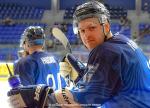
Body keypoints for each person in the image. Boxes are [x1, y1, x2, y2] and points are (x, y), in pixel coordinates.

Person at [8, 1, 150, 108]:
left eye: (92, 28)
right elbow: (110, 84)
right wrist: (83, 74)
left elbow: (84, 97)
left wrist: (40, 96)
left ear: (106, 26)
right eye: (82, 31)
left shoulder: (106, 51)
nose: (86, 35)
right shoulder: (122, 42)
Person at [13, 26, 66, 90]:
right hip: (57, 98)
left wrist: (14, 85)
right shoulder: (54, 59)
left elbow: (22, 94)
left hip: (40, 100)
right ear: (43, 42)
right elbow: (63, 86)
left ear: (26, 43)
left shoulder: (23, 63)